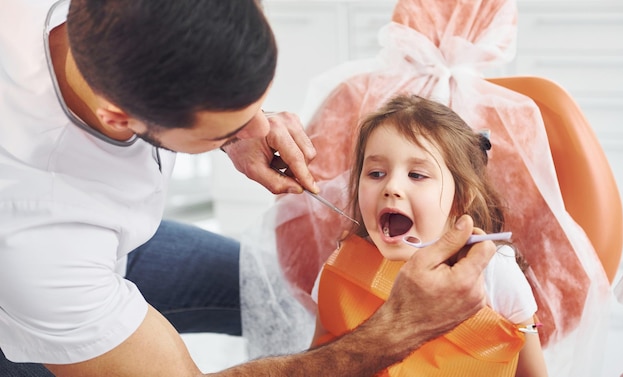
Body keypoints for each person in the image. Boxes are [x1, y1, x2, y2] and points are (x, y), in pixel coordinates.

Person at [0, 1, 497, 376]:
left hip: (111, 248)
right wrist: (401, 329)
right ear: (119, 117)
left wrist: (236, 128)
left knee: (270, 297)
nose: (260, 129)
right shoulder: (43, 237)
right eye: (222, 129)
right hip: (26, 309)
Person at [311, 94, 549, 377]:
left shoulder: (497, 273)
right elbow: (318, 362)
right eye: (376, 173)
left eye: (417, 175)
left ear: (460, 198)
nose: (392, 187)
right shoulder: (340, 267)